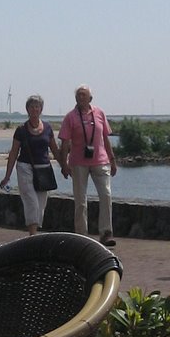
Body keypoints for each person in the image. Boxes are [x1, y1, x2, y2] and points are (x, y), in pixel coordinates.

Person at [58, 84, 118, 244]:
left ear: (90, 98)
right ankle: (81, 235)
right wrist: (64, 164)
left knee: (106, 195)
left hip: (100, 160)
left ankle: (106, 233)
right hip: (78, 163)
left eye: (83, 95)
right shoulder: (70, 117)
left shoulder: (99, 113)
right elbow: (65, 142)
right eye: (78, 95)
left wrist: (112, 159)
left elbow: (105, 138)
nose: (80, 97)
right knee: (80, 200)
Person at [0, 95, 64, 234]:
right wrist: (7, 176)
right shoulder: (21, 130)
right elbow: (13, 153)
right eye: (32, 107)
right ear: (27, 109)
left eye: (37, 106)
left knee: (41, 204)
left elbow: (54, 150)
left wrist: (64, 166)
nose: (34, 109)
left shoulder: (48, 128)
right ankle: (33, 235)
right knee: (31, 202)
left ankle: (34, 233)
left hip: (44, 170)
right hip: (25, 168)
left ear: (41, 109)